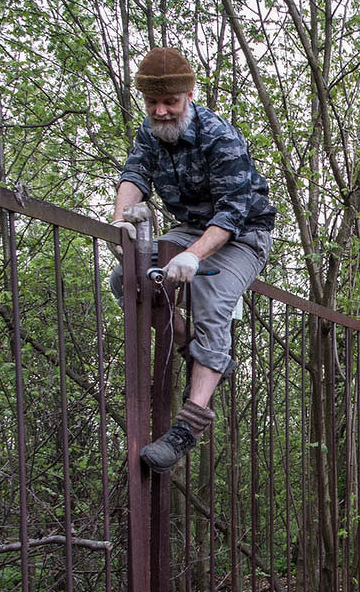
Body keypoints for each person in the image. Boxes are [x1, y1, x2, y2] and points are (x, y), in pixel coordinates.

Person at [109, 47, 275, 473]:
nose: (161, 111)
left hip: (242, 235)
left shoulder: (220, 136)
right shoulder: (149, 134)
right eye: (153, 103)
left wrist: (194, 257)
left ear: (189, 94)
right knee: (128, 277)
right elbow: (133, 177)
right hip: (189, 230)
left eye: (170, 102)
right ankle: (193, 348)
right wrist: (120, 223)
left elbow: (233, 214)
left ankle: (188, 426)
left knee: (211, 299)